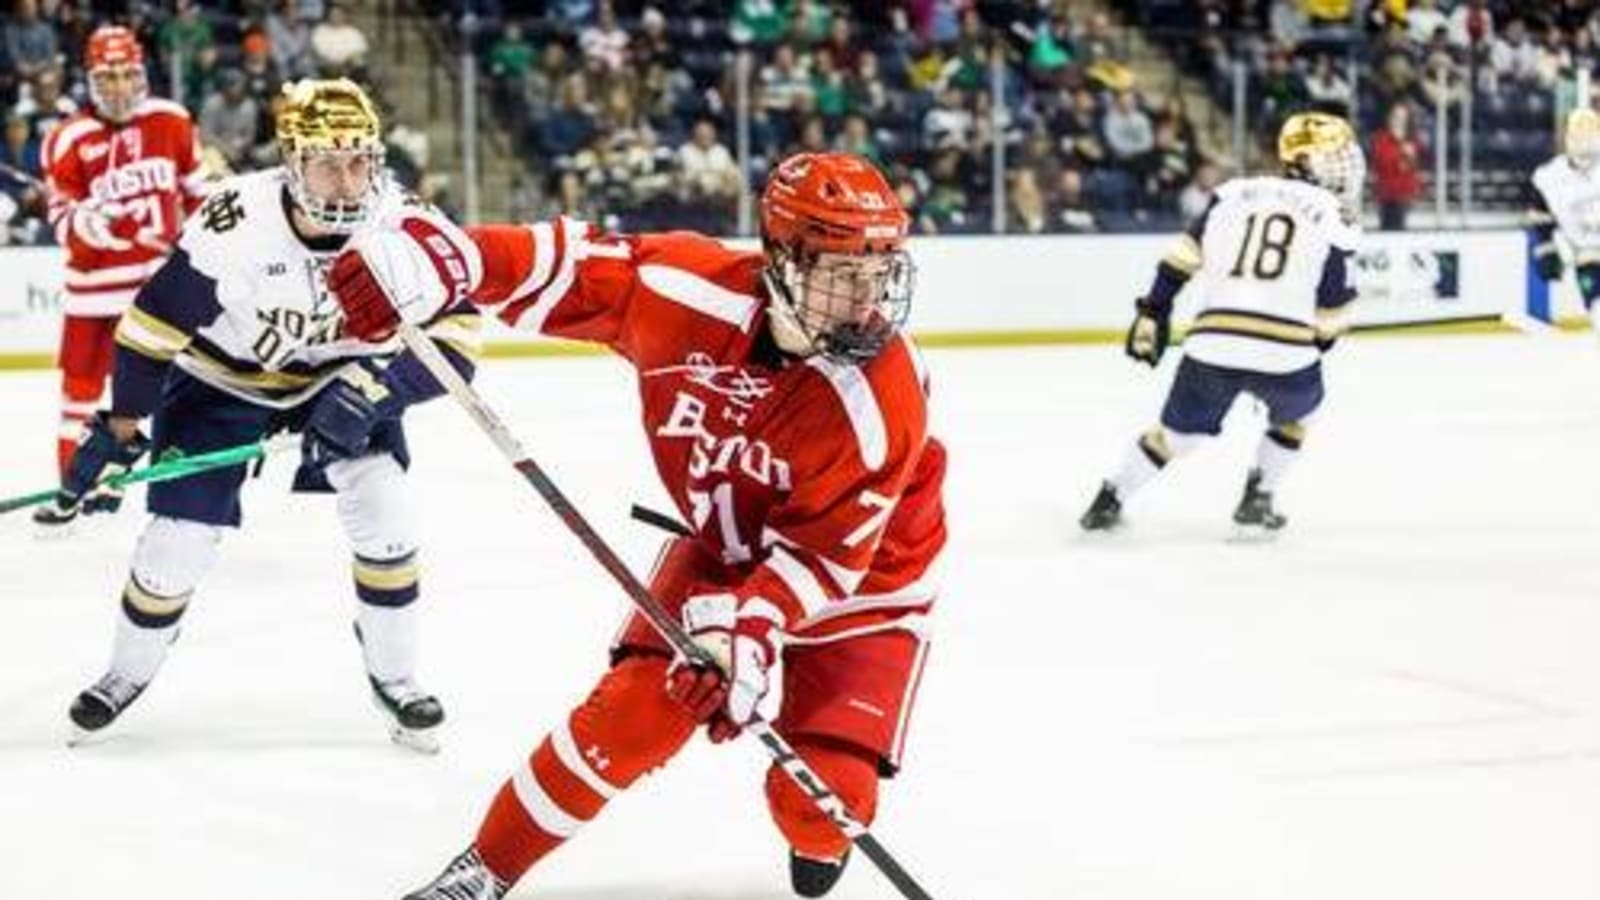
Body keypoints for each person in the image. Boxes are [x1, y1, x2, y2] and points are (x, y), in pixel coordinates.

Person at [327, 151, 948, 899]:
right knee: (630, 719)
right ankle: (484, 872)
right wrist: (445, 257)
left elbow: (819, 560)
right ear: (782, 256)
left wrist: (742, 638)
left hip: (864, 586)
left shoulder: (880, 397)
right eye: (844, 273)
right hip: (723, 548)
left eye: (879, 275)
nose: (865, 301)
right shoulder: (688, 292)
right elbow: (563, 266)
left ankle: (819, 840)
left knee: (820, 802)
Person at [54, 79, 481, 753]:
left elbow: (461, 342)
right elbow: (151, 327)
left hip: (342, 380)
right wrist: (121, 427)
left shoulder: (400, 221)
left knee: (387, 513)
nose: (346, 182)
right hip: (223, 382)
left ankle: (396, 677)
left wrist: (380, 391)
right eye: (326, 163)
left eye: (359, 161)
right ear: (291, 160)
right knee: (175, 547)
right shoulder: (236, 221)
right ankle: (122, 675)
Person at [1080, 112, 1363, 535]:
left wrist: (1153, 309)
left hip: (1212, 342)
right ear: (1303, 162)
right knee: (1298, 416)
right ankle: (1259, 497)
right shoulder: (1333, 214)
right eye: (1333, 159)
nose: (1345, 169)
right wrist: (1323, 338)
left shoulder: (1231, 193)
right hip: (1286, 354)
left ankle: (1110, 497)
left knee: (1176, 437)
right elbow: (1333, 306)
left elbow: (1182, 257)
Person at [34, 26, 206, 515]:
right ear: (90, 79)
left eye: (128, 74)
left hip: (156, 289)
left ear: (142, 74)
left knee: (170, 392)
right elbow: (62, 218)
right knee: (78, 398)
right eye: (107, 77)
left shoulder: (172, 121)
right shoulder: (67, 139)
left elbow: (198, 196)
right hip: (92, 291)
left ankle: (155, 488)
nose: (119, 87)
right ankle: (73, 491)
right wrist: (88, 222)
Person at [1528, 107, 1600, 335]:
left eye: (1591, 130)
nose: (1584, 137)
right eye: (1578, 131)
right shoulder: (1548, 177)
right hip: (1587, 256)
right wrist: (1546, 249)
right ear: (1567, 136)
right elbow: (1540, 217)